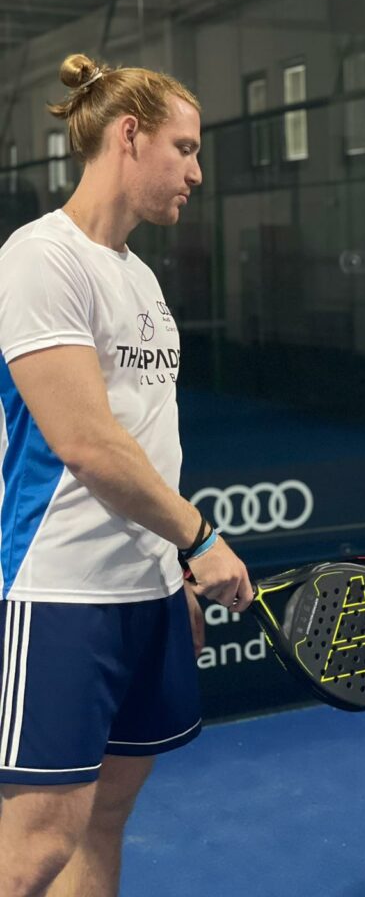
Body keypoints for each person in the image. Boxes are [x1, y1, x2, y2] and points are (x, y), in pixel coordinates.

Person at [0, 53, 254, 897]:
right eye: (183, 148)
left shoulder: (141, 279)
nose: (196, 169)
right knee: (36, 844)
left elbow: (147, 443)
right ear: (129, 135)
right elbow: (87, 444)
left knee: (107, 816)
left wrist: (170, 568)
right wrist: (201, 537)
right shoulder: (41, 259)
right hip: (58, 589)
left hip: (144, 592)